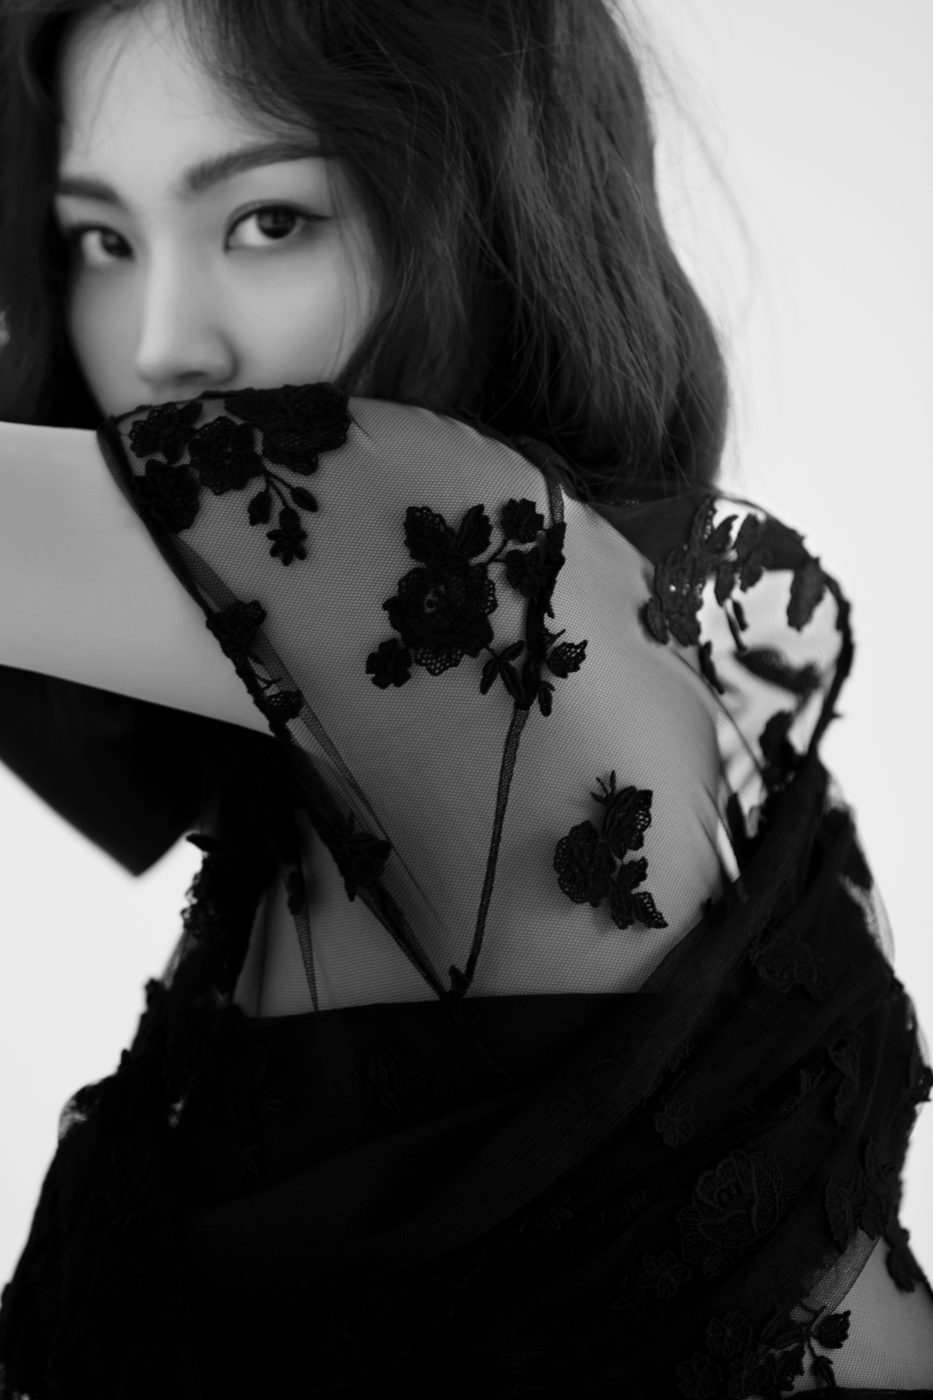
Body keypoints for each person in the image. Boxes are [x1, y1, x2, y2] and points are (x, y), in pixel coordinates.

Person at [0, 1, 931, 1396]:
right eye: (99, 241)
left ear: (485, 216)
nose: (159, 343)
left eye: (267, 221)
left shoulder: (448, 555)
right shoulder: (560, 615)